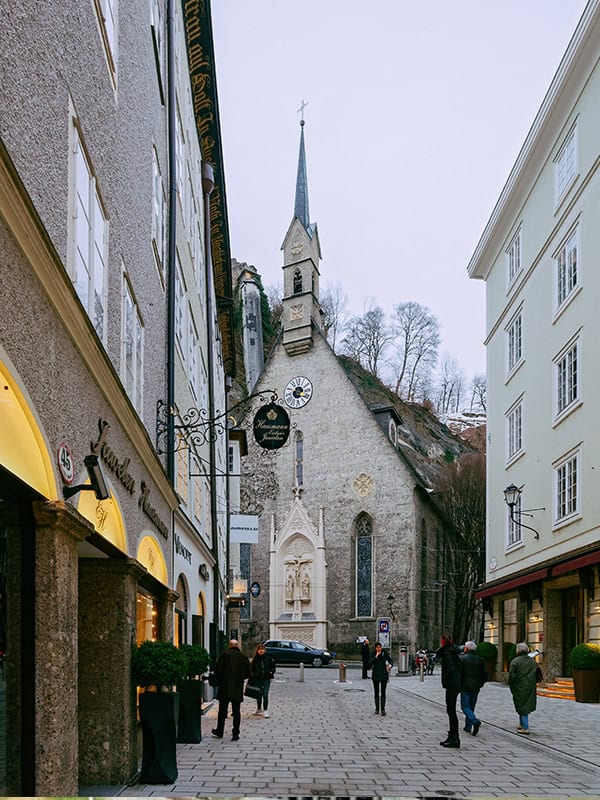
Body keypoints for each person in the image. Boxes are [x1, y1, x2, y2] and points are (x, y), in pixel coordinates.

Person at [211, 639, 251, 742]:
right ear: (237, 646)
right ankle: (235, 733)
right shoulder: (243, 657)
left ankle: (220, 730)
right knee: (236, 711)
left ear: (230, 645)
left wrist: (220, 681)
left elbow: (218, 670)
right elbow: (247, 673)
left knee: (222, 710)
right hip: (237, 687)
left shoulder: (224, 654)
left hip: (225, 687)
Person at [436, 632, 462, 748]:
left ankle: (454, 738)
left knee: (451, 711)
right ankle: (452, 736)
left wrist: (447, 680)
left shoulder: (448, 654)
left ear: (443, 641)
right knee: (451, 711)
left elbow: (451, 669)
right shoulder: (452, 652)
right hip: (454, 685)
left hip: (452, 685)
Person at [508, 642, 537, 734]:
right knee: (525, 704)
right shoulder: (532, 661)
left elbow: (512, 675)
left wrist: (510, 683)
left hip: (519, 686)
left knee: (521, 705)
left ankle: (525, 726)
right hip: (530, 685)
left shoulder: (516, 661)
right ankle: (521, 723)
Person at [460, 640, 487, 736]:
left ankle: (474, 721)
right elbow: (484, 674)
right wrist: (481, 683)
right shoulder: (480, 660)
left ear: (466, 648)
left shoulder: (462, 659)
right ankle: (468, 726)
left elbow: (459, 673)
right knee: (471, 706)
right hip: (476, 686)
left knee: (465, 706)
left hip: (465, 686)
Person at [250, 642, 276, 718]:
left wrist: (271, 672)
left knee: (265, 694)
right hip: (258, 678)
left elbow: (273, 667)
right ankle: (259, 708)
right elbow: (251, 669)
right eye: (259, 649)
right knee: (259, 694)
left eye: (262, 649)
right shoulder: (255, 660)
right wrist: (254, 675)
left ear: (265, 650)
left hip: (266, 678)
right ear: (257, 651)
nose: (261, 651)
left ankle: (265, 710)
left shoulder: (268, 658)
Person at [369, 642, 393, 715]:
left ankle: (383, 709)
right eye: (377, 647)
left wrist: (390, 665)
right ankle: (377, 708)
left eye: (380, 647)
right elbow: (370, 664)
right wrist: (376, 656)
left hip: (383, 675)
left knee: (383, 692)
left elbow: (390, 660)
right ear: (375, 648)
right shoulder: (373, 653)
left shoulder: (384, 653)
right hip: (376, 674)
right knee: (376, 692)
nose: (379, 649)